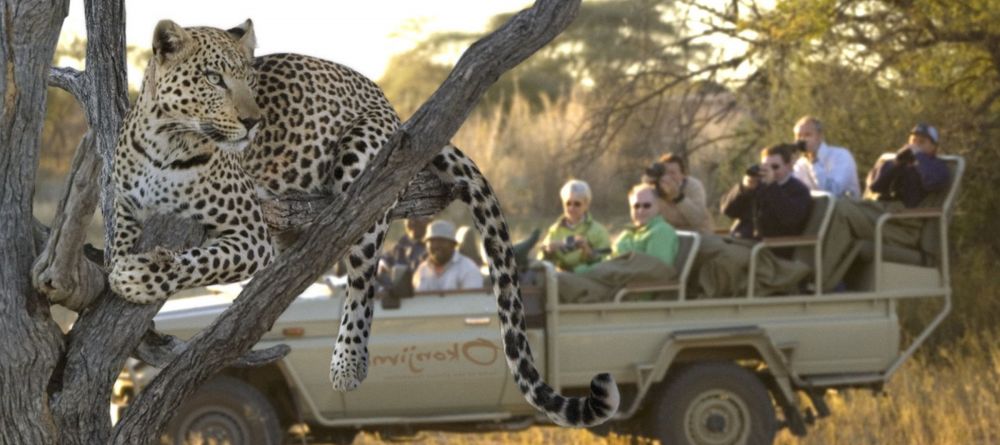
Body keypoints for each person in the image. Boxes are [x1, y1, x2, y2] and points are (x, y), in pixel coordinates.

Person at [821, 123, 951, 288]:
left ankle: (823, 280)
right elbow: (875, 186)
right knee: (833, 205)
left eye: (922, 142)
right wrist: (896, 162)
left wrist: (920, 157)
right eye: (913, 140)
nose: (915, 145)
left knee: (842, 210)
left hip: (901, 224)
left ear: (933, 148)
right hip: (882, 213)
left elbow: (932, 181)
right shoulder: (901, 164)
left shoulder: (937, 167)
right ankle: (827, 277)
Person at [697, 143, 813, 297]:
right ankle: (695, 290)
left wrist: (772, 187)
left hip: (768, 251)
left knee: (726, 258)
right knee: (698, 244)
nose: (770, 172)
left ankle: (710, 296)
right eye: (765, 167)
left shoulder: (798, 191)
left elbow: (791, 219)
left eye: (775, 167)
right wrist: (745, 188)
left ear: (789, 166)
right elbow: (727, 210)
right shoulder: (758, 186)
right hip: (741, 242)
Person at [558, 184, 679, 303]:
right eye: (636, 206)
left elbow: (656, 271)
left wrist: (586, 272)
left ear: (658, 206)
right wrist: (590, 255)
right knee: (550, 278)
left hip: (625, 294)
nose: (641, 210)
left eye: (646, 206)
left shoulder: (661, 231)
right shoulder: (628, 233)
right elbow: (611, 260)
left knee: (556, 281)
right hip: (608, 285)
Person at [539, 179, 612, 272]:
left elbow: (607, 263)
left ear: (586, 205)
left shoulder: (599, 231)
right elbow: (541, 263)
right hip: (560, 278)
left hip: (588, 279)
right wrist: (547, 252)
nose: (571, 208)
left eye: (577, 204)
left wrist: (588, 251)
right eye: (568, 203)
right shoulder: (554, 230)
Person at [642, 154, 715, 234]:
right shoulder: (654, 187)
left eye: (672, 173)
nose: (667, 177)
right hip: (668, 234)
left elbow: (697, 219)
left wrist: (678, 198)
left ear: (683, 175)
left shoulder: (693, 186)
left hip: (697, 233)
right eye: (664, 173)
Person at [793, 116, 861, 198]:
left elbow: (831, 192)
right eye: (799, 136)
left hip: (843, 209)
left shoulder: (841, 156)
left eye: (808, 135)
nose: (802, 140)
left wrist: (814, 161)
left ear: (820, 136)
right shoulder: (800, 164)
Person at [412, 220, 483, 292]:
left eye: (442, 241)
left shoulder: (468, 269)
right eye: (432, 241)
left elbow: (473, 301)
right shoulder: (422, 270)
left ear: (453, 245)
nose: (437, 246)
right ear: (426, 245)